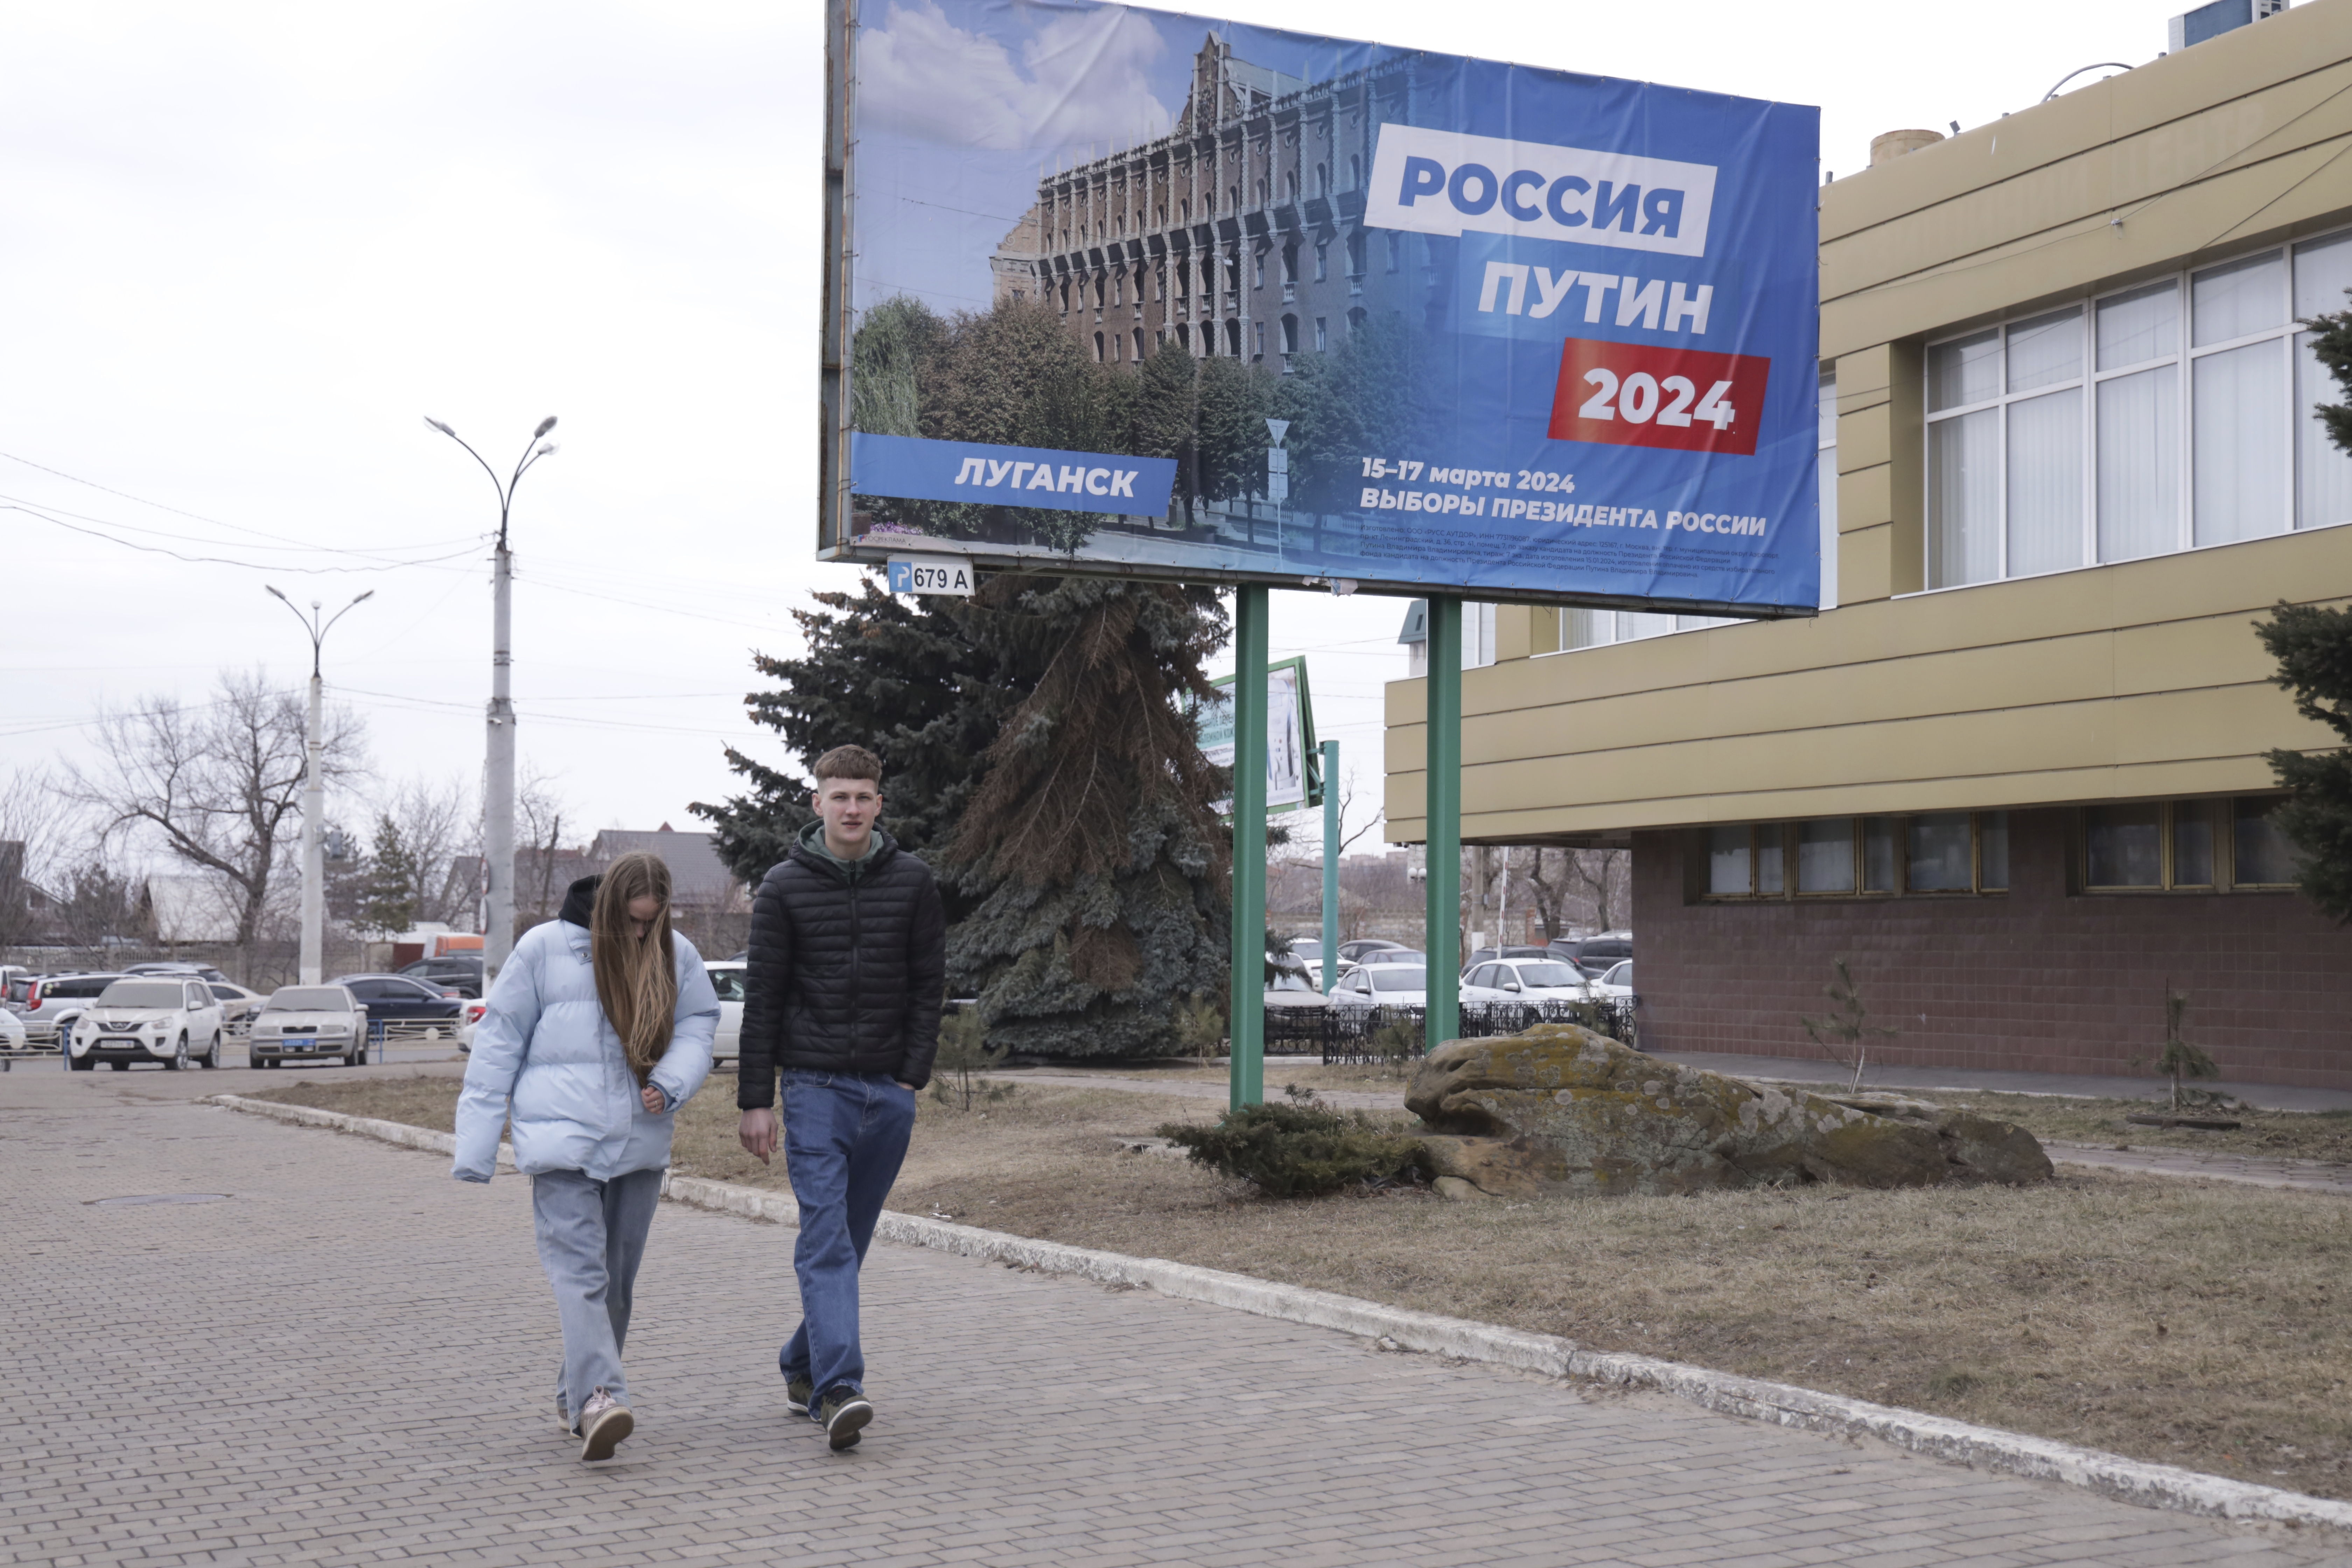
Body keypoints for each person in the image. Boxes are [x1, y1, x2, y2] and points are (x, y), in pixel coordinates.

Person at [454, 852, 719, 1462]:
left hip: (638, 1143)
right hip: (561, 1144)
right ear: (608, 906)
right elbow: (499, 1043)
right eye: (630, 920)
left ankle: (575, 1395)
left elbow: (698, 1023)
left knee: (617, 1289)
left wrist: (672, 1081)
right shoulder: (543, 949)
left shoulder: (675, 953)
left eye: (650, 922)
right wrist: (477, 1143)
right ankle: (601, 1397)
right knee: (583, 1276)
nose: (639, 933)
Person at [738, 743, 946, 1452]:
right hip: (813, 1086)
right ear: (817, 801)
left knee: (850, 1241)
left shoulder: (913, 880)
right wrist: (755, 1099)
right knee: (825, 1239)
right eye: (839, 795)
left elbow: (928, 984)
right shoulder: (783, 886)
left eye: (863, 795)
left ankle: (800, 1363)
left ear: (879, 803)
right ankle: (838, 1388)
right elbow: (762, 997)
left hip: (888, 1091)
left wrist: (911, 1073)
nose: (851, 807)